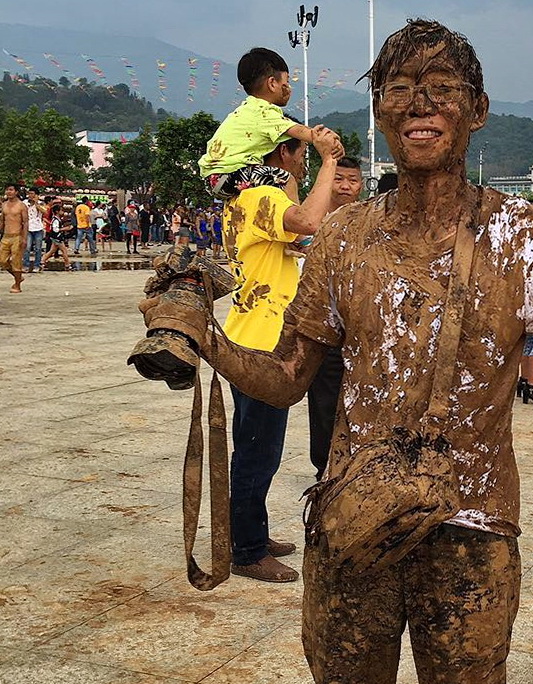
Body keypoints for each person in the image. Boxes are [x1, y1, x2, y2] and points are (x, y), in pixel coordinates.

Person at [141, 20, 533, 681]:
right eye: (399, 87)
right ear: (379, 110)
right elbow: (285, 378)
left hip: (472, 533)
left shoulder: (525, 237)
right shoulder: (343, 238)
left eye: (441, 87)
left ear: (477, 110)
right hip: (352, 527)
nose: (419, 103)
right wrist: (207, 338)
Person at [222, 123, 343, 583]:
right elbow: (309, 222)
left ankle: (251, 531)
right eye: (300, 155)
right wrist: (330, 161)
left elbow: (299, 240)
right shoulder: (262, 196)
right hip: (262, 342)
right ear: (283, 155)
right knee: (258, 450)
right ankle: (247, 550)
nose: (301, 163)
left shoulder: (247, 200)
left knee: (256, 445)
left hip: (252, 332)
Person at [199, 47, 342, 198]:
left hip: (214, 177)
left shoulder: (246, 110)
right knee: (287, 181)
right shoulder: (264, 112)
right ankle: (298, 218)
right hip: (229, 175)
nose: (289, 89)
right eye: (286, 82)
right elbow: (299, 132)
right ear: (272, 83)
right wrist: (327, 139)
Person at [306, 156, 363, 478]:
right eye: (338, 178)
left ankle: (357, 462)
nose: (345, 186)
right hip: (323, 326)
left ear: (361, 184)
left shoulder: (368, 220)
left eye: (352, 180)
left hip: (360, 329)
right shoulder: (309, 218)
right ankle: (324, 466)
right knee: (325, 400)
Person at [0, 184, 28, 292]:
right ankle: (19, 277)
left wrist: (24, 238)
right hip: (6, 236)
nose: (9, 192)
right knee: (2, 261)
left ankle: (17, 285)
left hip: (17, 236)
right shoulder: (4, 205)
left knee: (16, 262)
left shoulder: (21, 206)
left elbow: (25, 223)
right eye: (7, 190)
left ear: (16, 192)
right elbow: (2, 221)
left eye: (11, 190)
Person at [22, 187, 46, 273]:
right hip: (28, 227)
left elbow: (45, 212)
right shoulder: (24, 203)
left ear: (37, 195)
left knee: (38, 248)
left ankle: (37, 265)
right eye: (29, 194)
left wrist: (36, 203)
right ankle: (26, 265)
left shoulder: (41, 203)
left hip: (38, 227)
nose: (30, 195)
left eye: (32, 194)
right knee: (27, 247)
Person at [40, 204, 71, 269]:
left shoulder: (56, 219)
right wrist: (65, 228)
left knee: (52, 251)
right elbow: (55, 230)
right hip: (57, 238)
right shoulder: (56, 220)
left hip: (55, 237)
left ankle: (42, 261)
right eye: (61, 210)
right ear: (57, 211)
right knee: (64, 250)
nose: (62, 212)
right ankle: (67, 264)